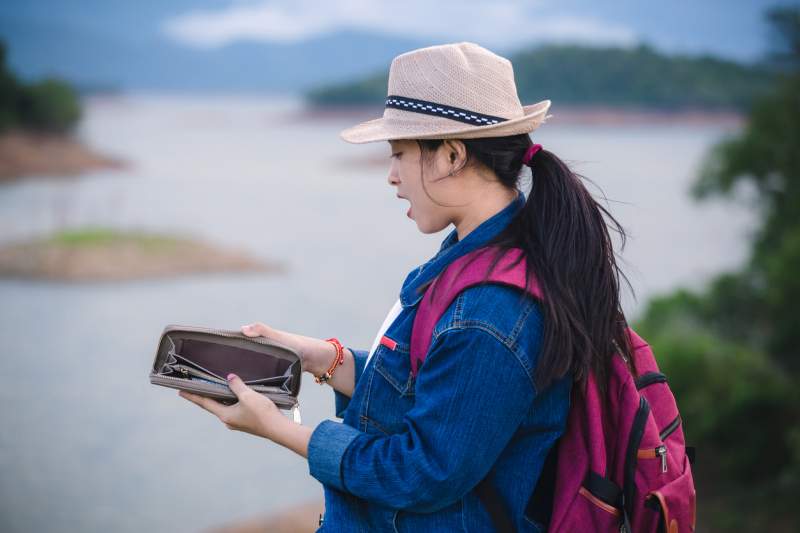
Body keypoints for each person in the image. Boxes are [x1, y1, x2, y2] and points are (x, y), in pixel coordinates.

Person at [179, 41, 634, 532]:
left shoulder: (492, 309)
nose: (392, 177)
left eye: (399, 154)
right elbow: (428, 390)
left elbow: (424, 473)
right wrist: (315, 357)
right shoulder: (474, 261)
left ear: (453, 155)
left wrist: (275, 429)